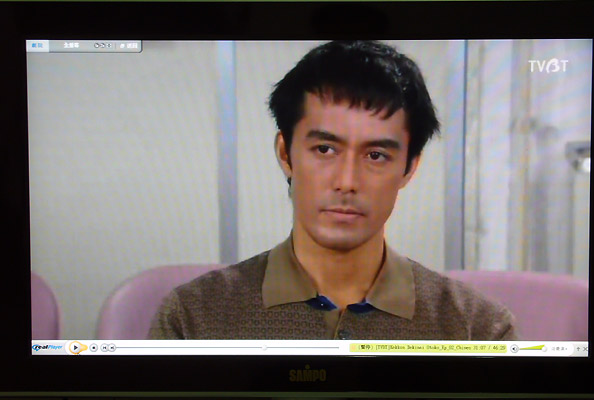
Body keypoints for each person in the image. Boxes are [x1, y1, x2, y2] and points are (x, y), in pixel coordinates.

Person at [148, 40, 517, 340]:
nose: (347, 181)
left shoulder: (479, 329)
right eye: (325, 149)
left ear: (409, 168)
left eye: (375, 155)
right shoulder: (192, 318)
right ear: (285, 154)